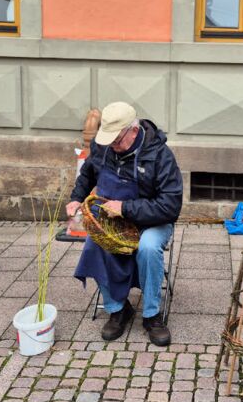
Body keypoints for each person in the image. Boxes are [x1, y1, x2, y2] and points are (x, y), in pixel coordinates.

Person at [67, 102, 182, 346]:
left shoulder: (159, 155)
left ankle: (151, 315)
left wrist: (126, 208)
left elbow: (170, 205)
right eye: (109, 141)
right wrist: (77, 198)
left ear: (133, 130)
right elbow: (87, 173)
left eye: (117, 141)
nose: (113, 147)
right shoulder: (103, 146)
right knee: (93, 246)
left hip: (153, 220)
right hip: (113, 220)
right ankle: (118, 309)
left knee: (148, 247)